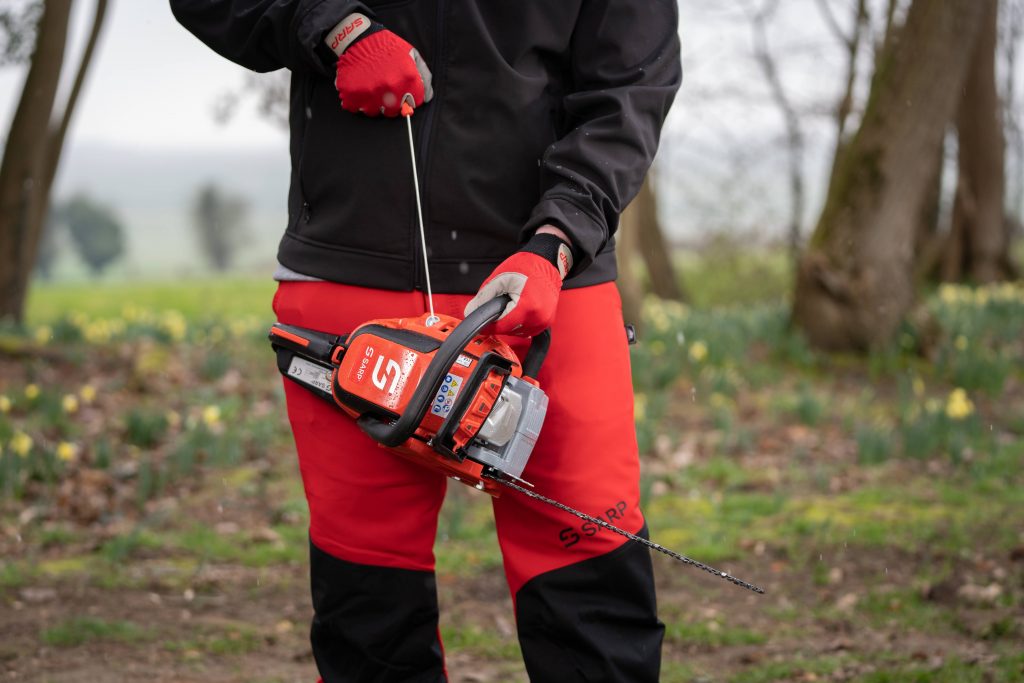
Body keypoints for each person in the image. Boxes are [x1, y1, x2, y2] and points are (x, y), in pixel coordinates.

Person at [170, 1, 682, 680]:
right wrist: (332, 25)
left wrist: (558, 238)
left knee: (591, 581)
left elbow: (631, 85)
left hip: (547, 284)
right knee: (368, 606)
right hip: (350, 278)